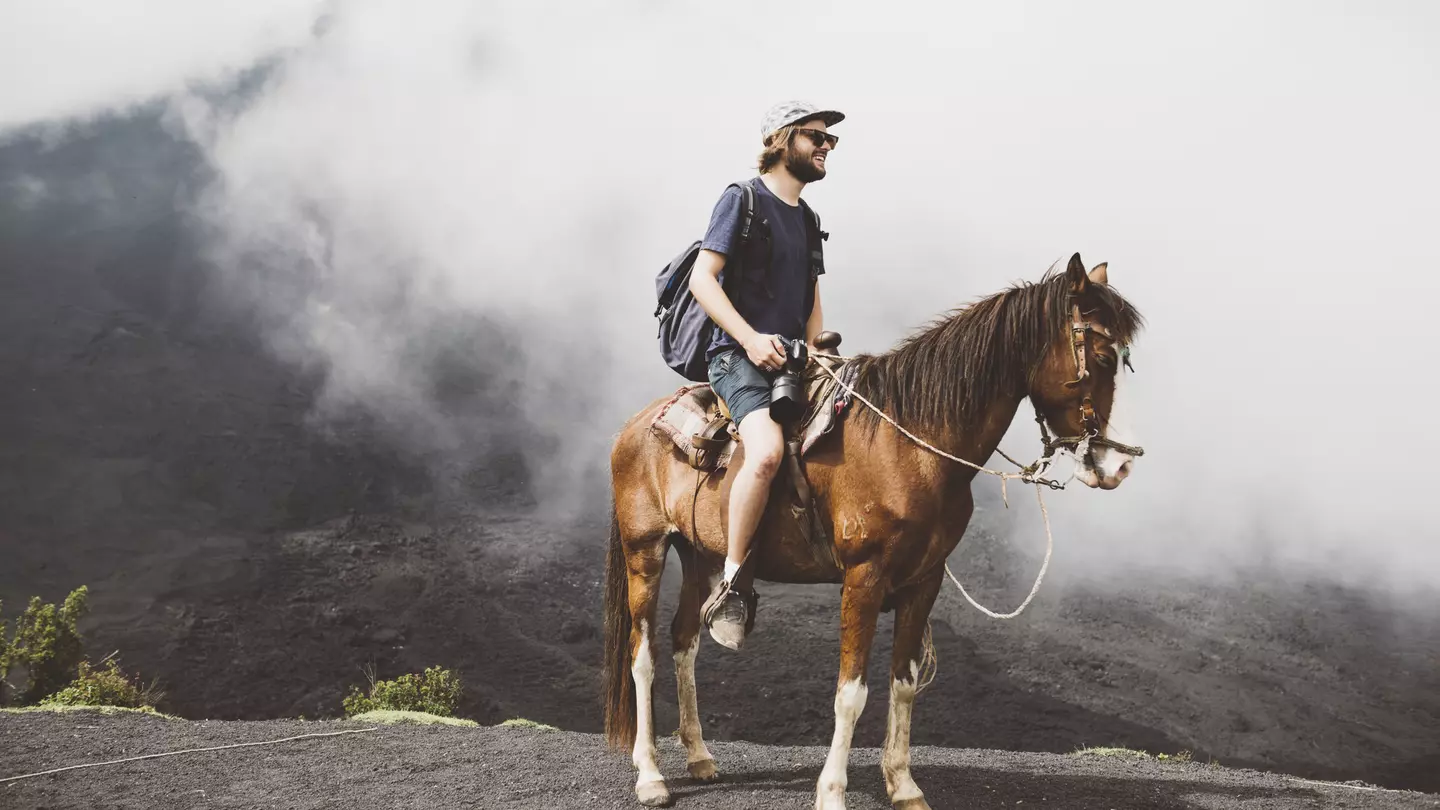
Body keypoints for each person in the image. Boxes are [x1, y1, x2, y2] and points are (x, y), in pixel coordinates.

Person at [689, 100, 843, 650]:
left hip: (795, 361)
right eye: (815, 137)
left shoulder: (808, 219)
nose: (827, 146)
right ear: (782, 140)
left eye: (831, 141)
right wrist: (751, 339)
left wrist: (817, 351)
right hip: (736, 356)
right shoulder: (743, 200)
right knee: (769, 452)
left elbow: (811, 297)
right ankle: (731, 584)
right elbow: (703, 281)